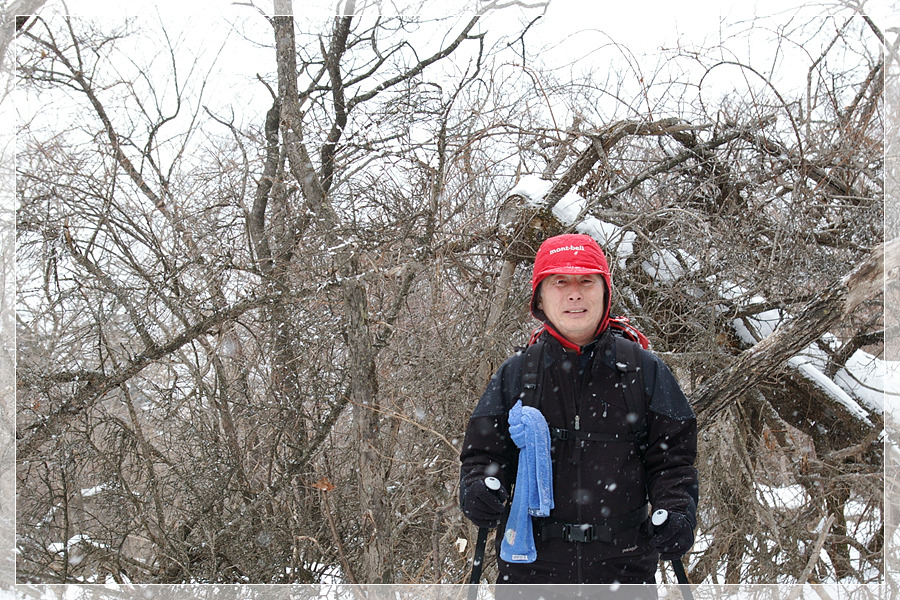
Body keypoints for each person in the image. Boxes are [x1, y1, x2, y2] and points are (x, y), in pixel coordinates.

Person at [459, 233, 698, 586]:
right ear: (540, 296)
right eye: (560, 282)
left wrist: (677, 511)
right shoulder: (517, 374)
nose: (574, 293)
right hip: (531, 570)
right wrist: (479, 489)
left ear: (605, 291)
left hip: (624, 571)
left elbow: (672, 459)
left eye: (586, 280)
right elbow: (482, 454)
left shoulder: (644, 370)